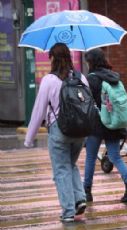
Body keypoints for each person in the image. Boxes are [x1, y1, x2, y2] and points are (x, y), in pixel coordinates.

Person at [24, 43, 87, 222]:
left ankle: (68, 212)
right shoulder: (81, 77)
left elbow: (38, 111)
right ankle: (80, 198)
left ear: (52, 58)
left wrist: (29, 139)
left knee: (61, 170)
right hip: (80, 131)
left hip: (60, 131)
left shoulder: (49, 80)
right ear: (69, 58)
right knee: (69, 165)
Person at [83, 48, 127, 203]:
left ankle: (86, 191)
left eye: (88, 61)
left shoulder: (91, 79)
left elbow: (87, 102)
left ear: (92, 62)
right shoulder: (113, 77)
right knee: (115, 156)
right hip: (113, 122)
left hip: (96, 123)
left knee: (90, 157)